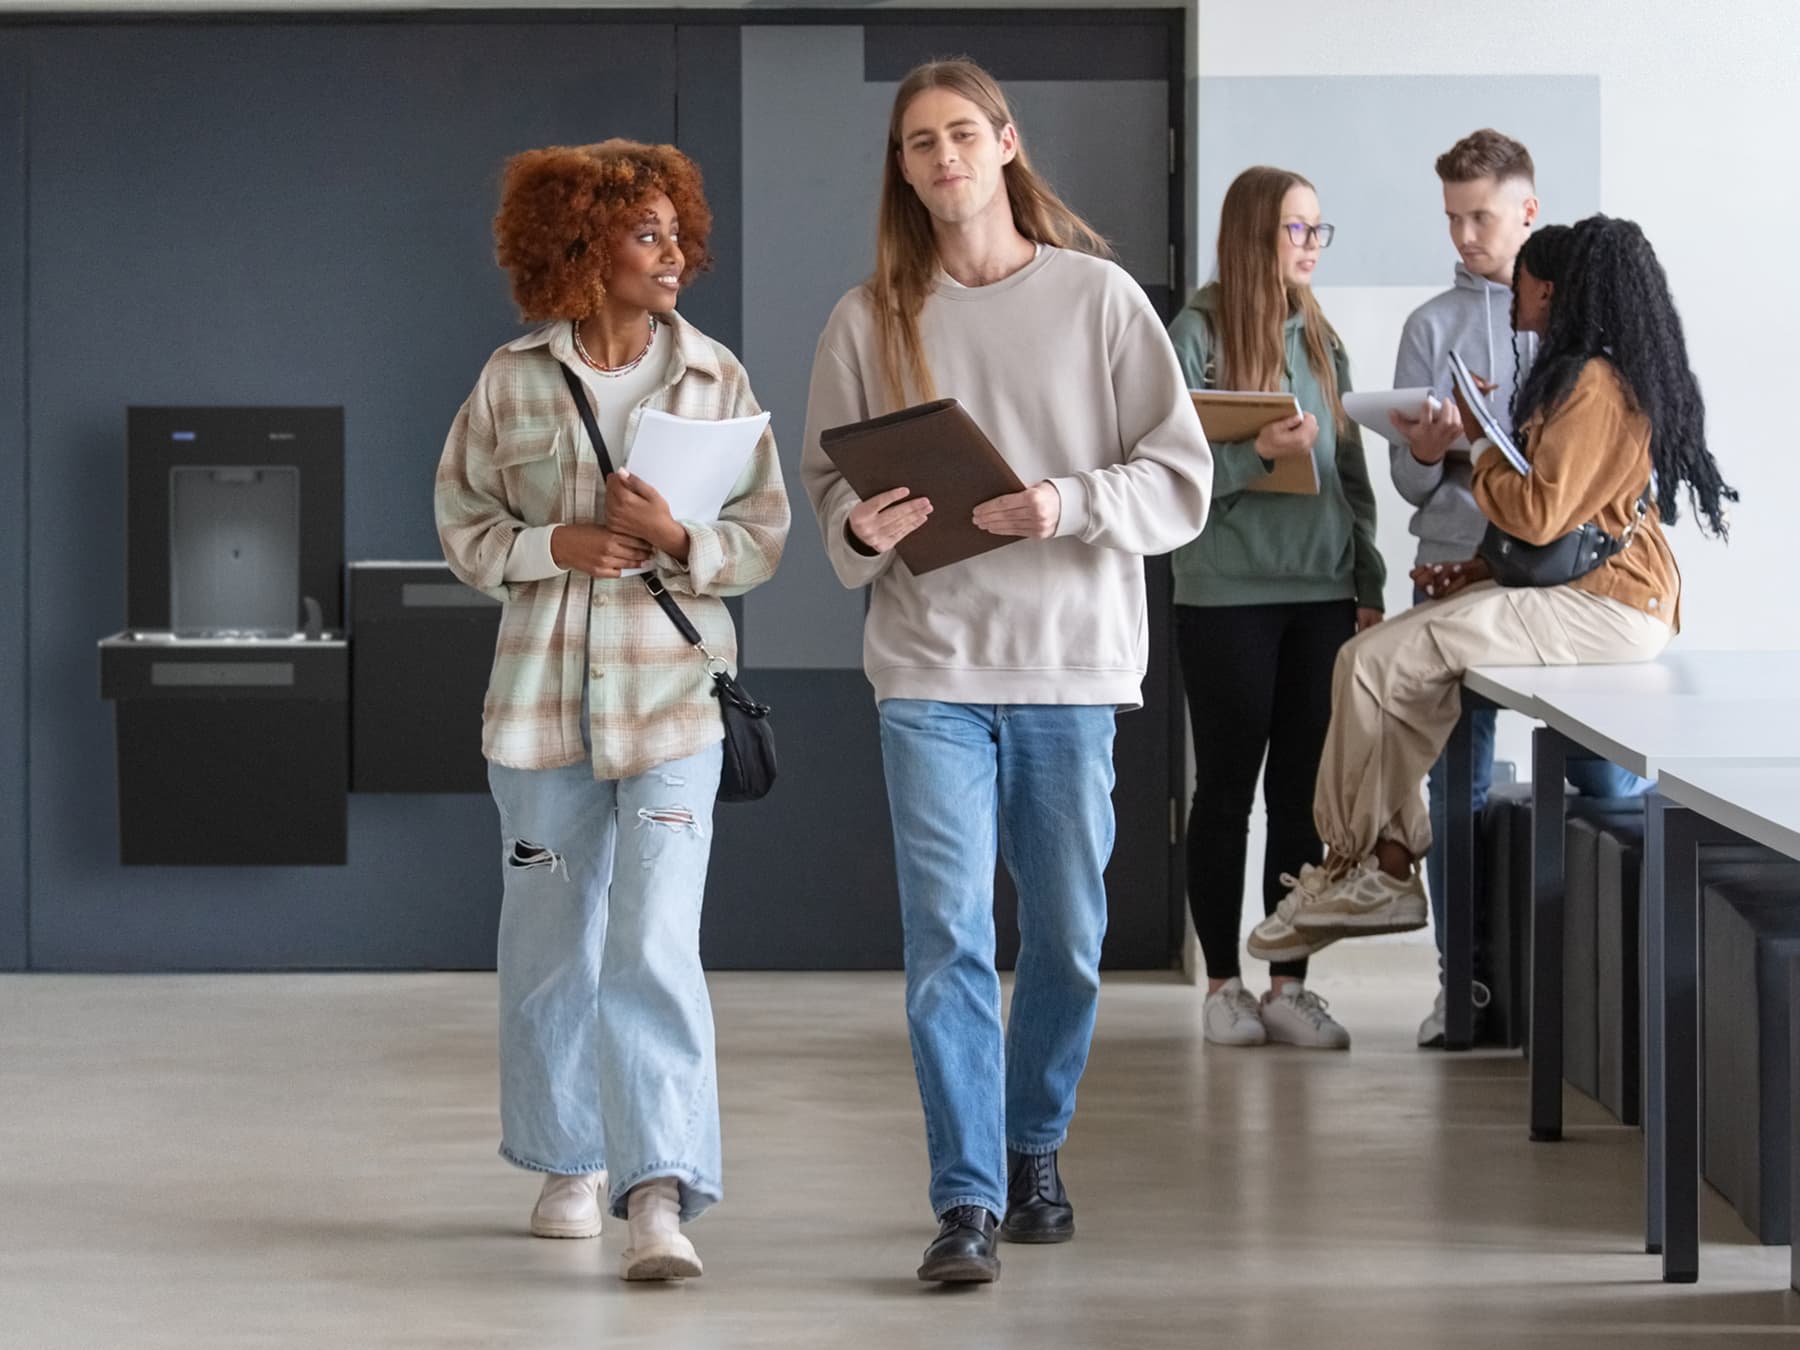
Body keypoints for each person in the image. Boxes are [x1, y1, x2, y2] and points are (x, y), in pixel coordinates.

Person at [799, 59, 1212, 1284]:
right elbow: (828, 486)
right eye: (919, 143)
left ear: (1007, 144)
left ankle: (1036, 1142)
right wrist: (856, 531)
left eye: (962, 134)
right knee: (948, 937)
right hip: (927, 667)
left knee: (1070, 934)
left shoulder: (1098, 300)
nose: (943, 159)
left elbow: (1181, 479)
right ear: (905, 168)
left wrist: (1066, 502)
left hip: (1071, 669)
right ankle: (968, 1198)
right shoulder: (869, 317)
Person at [435, 139, 789, 1282]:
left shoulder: (719, 381)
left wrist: (684, 539)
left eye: (677, 230)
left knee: (652, 942)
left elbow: (764, 539)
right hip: (539, 721)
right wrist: (556, 544)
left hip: (674, 716)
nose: (675, 252)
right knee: (547, 941)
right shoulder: (510, 379)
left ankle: (659, 1190)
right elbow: (462, 526)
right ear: (581, 246)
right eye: (649, 233)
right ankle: (567, 1160)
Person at [1249, 214, 1735, 964]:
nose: (1512, 294)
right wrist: (1475, 572)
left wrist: (1476, 435)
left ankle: (1374, 868)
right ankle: (1378, 864)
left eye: (1523, 282)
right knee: (1373, 660)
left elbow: (1540, 513)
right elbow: (1565, 527)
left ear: (1548, 287)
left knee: (1384, 663)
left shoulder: (1597, 384)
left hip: (1611, 607)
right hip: (1594, 596)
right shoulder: (1586, 375)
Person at [1384, 137, 1645, 1047]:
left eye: (1479, 217)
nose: (1463, 236)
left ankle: (1610, 985)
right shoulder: (1429, 325)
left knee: (1603, 772)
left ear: (1527, 211)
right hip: (1456, 577)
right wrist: (1426, 454)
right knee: (1456, 783)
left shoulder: (1593, 332)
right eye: (1451, 217)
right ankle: (1468, 990)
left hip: (1573, 586)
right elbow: (1415, 490)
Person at [1167, 166, 1384, 1051]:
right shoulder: (1196, 335)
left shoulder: (1324, 340)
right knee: (1226, 793)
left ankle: (1289, 985)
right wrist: (1255, 452)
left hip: (1323, 599)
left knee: (1302, 801)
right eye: (1298, 229)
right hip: (1227, 599)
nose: (1310, 246)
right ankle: (1223, 984)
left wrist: (1369, 584)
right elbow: (1170, 485)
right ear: (1256, 235)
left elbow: (1354, 480)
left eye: (1318, 231)